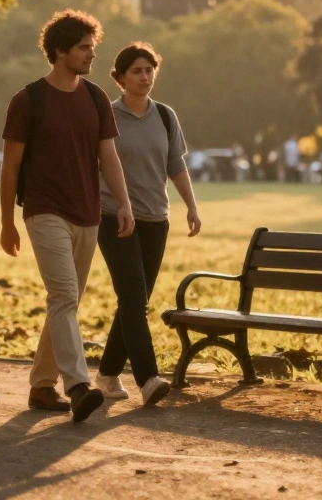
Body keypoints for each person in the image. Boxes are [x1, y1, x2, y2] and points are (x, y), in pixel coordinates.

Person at [0, 10, 135, 424]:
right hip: (44, 211)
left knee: (67, 301)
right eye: (83, 48)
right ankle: (77, 386)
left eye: (92, 47)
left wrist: (124, 203)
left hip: (88, 212)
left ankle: (41, 385)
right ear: (60, 52)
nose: (92, 55)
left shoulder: (95, 98)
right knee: (63, 297)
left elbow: (108, 156)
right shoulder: (29, 100)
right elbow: (10, 167)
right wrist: (6, 222)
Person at [94, 42, 202, 407]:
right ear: (120, 77)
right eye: (136, 71)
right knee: (134, 300)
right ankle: (148, 377)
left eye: (149, 69)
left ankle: (107, 374)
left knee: (133, 300)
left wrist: (191, 205)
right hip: (114, 218)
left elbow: (175, 164)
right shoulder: (105, 115)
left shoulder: (166, 116)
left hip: (157, 220)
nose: (144, 76)